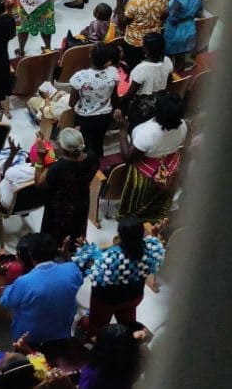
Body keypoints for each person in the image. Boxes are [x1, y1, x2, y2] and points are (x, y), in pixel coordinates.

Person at [73, 217, 165, 332]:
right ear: (142, 234)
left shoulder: (113, 257)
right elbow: (155, 246)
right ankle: (129, 336)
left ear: (120, 235)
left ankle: (97, 339)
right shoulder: (150, 252)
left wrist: (86, 250)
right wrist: (155, 234)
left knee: (97, 327)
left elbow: (96, 271)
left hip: (107, 301)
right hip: (134, 296)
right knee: (127, 321)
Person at [0, 232, 83, 346]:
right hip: (62, 334)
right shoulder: (72, 269)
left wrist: (0, 280)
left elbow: (5, 302)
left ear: (31, 255)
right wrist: (64, 257)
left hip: (29, 339)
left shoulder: (24, 282)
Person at [118, 92, 186, 221]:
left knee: (141, 199)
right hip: (170, 163)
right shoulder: (183, 125)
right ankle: (156, 215)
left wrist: (122, 130)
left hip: (146, 172)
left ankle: (134, 218)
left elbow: (127, 157)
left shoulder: (148, 133)